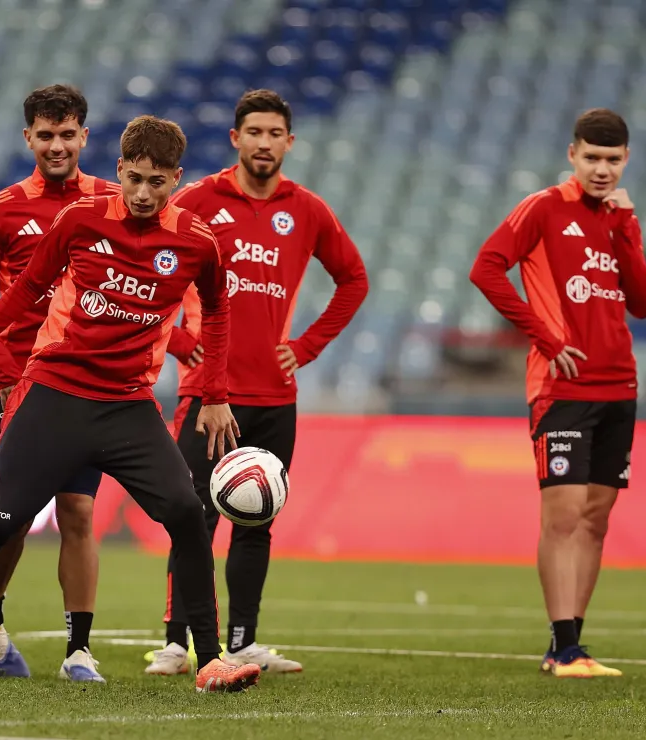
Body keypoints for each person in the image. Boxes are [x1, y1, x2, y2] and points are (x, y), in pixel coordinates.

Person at [0, 115, 261, 693]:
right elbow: (22, 290)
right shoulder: (80, 219)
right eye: (135, 179)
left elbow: (217, 312)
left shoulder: (195, 240)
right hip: (55, 395)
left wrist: (215, 392)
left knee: (188, 516)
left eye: (158, 182)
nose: (144, 194)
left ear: (176, 180)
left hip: (127, 407)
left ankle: (211, 660)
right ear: (119, 171)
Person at [148, 89, 368, 676]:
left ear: (289, 142)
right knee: (193, 518)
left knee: (256, 519)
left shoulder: (308, 210)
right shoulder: (198, 200)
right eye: (255, 133)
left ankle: (243, 642)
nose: (264, 143)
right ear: (235, 139)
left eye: (275, 134)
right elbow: (144, 268)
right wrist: (179, 343)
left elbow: (353, 280)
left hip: (275, 396)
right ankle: (176, 643)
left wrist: (306, 347)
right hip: (208, 392)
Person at [469, 108, 646, 678]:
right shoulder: (545, 208)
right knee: (565, 513)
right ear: (573, 156)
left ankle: (576, 643)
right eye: (592, 158)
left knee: (597, 518)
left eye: (612, 159)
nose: (602, 169)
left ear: (625, 161)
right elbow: (487, 268)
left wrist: (625, 230)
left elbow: (644, 302)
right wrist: (546, 338)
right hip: (562, 386)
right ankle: (562, 646)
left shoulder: (621, 220)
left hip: (619, 382)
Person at [0, 84, 119, 681]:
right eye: (45, 135)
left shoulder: (114, 201)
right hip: (18, 385)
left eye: (67, 134)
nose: (56, 145)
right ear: (28, 137)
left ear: (84, 136)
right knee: (16, 516)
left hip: (85, 384)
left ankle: (78, 651)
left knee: (77, 511)